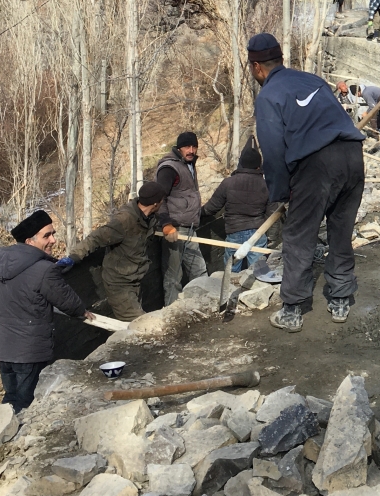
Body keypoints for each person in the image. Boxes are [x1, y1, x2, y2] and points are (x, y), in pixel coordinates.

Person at [249, 33, 365, 331]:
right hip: (352, 155)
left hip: (315, 165)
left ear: (256, 67)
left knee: (299, 238)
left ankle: (293, 309)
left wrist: (280, 193)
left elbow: (273, 152)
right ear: (281, 60)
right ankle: (340, 299)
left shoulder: (269, 96)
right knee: (341, 231)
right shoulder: (312, 80)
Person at [0, 210, 92, 411]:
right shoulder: (43, 270)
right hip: (30, 351)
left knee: (11, 398)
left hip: (4, 349)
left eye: (53, 233)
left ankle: (1, 437)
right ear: (29, 241)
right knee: (26, 404)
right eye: (47, 235)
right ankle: (15, 441)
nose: (53, 240)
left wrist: (6, 305)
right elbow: (68, 303)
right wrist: (81, 311)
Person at [61, 182, 168, 322]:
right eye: (162, 201)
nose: (163, 203)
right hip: (119, 285)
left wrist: (168, 225)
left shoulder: (148, 218)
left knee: (131, 328)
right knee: (140, 326)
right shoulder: (124, 221)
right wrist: (73, 257)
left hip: (135, 280)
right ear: (155, 203)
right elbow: (96, 238)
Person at [156, 132, 209, 305]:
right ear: (179, 148)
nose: (191, 150)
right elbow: (159, 198)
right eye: (187, 147)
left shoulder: (189, 165)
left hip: (190, 227)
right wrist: (166, 223)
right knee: (173, 276)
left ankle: (205, 306)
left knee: (199, 270)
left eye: (194, 147)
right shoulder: (169, 169)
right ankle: (172, 315)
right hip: (175, 228)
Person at [203, 142, 272, 272]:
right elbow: (271, 212)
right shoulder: (266, 185)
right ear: (259, 165)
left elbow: (211, 208)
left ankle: (231, 291)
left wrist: (197, 213)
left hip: (234, 231)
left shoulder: (228, 183)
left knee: (231, 272)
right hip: (257, 232)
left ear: (241, 163)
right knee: (258, 273)